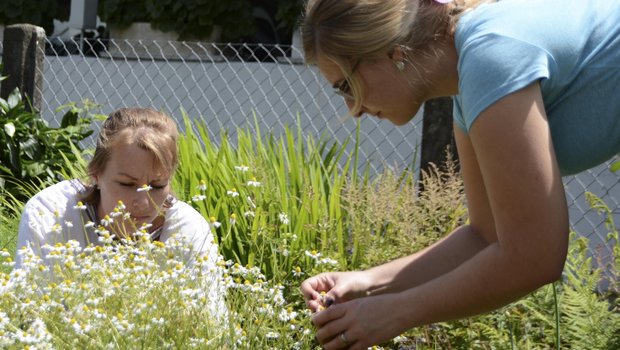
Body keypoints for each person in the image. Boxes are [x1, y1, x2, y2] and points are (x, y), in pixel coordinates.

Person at [299, 0, 620, 348]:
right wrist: (366, 283)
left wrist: (394, 312)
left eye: (346, 86)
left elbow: (534, 258)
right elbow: (485, 235)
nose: (354, 109)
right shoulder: (471, 82)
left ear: (391, 52)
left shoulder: (489, 56)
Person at [16, 107, 220, 271]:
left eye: (157, 186)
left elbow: (207, 321)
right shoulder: (51, 213)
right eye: (127, 184)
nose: (143, 203)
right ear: (95, 174)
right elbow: (28, 310)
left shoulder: (188, 231)